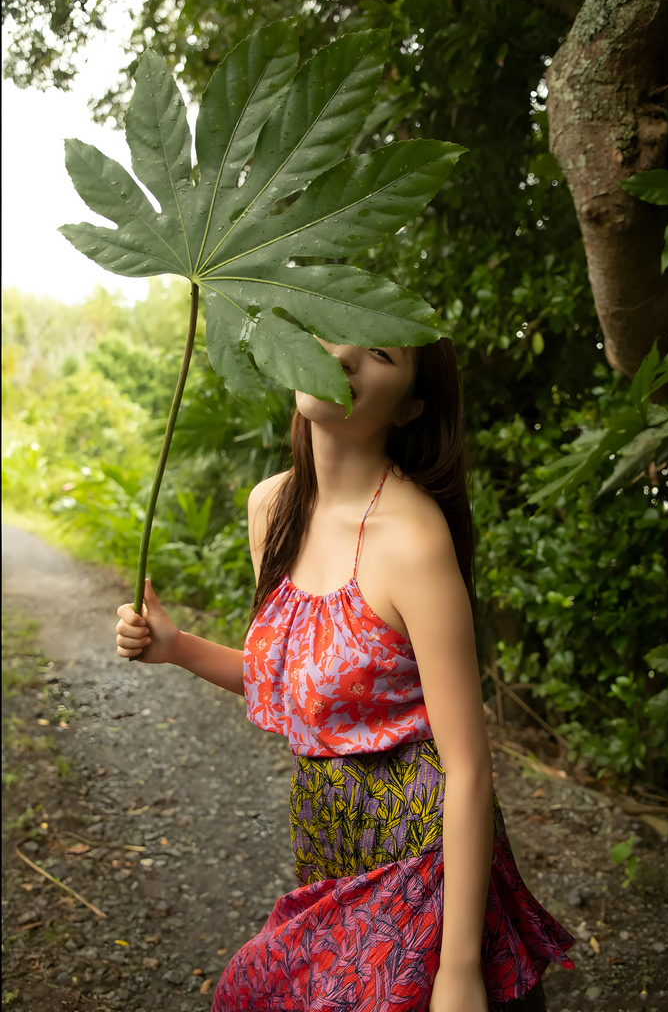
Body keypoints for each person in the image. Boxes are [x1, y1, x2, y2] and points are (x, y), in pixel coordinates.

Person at [115, 337, 576, 1012]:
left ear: (411, 406)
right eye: (331, 335)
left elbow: (470, 767)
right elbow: (309, 687)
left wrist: (458, 971)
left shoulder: (412, 538)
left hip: (422, 860)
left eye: (380, 353)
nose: (343, 357)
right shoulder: (271, 508)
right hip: (330, 852)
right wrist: (176, 645)